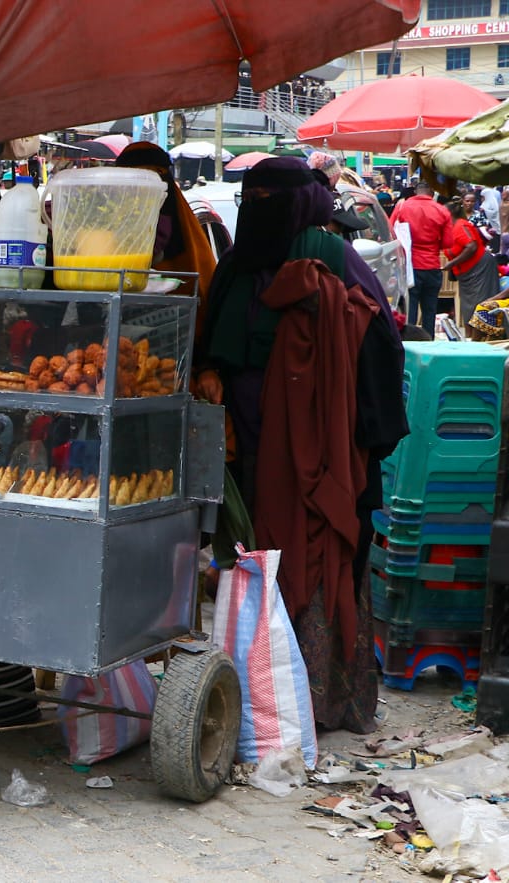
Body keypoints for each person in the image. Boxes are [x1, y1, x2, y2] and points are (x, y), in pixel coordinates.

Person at [201, 157, 407, 734]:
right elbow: (213, 345)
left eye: (273, 197)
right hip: (251, 455)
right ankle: (255, 702)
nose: (259, 207)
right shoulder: (239, 264)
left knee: (319, 561)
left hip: (321, 450)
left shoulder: (333, 256)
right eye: (252, 197)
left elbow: (380, 344)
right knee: (255, 560)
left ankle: (318, 705)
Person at [114, 142, 217, 332]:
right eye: (136, 180)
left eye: (153, 179)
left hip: (180, 330)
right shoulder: (106, 225)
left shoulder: (183, 227)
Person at [390, 179, 452, 335]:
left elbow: (391, 233)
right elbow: (448, 242)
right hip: (432, 265)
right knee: (430, 309)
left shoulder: (402, 207)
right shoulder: (442, 210)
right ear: (431, 194)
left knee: (410, 308)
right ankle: (428, 341)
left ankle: (409, 343)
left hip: (410, 267)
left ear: (415, 192)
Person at [444, 197, 501, 329]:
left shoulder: (460, 226)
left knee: (481, 306)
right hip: (467, 273)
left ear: (449, 214)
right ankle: (474, 338)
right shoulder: (449, 229)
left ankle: (486, 337)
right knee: (470, 308)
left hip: (480, 268)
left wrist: (452, 263)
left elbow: (471, 246)